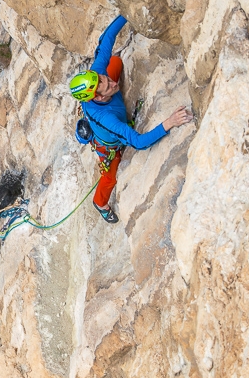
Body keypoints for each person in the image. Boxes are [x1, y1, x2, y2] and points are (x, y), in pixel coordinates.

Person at [69, 15, 193, 223]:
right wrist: (169, 122)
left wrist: (128, 12)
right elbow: (138, 142)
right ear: (97, 97)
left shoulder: (97, 76)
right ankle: (100, 203)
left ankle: (114, 66)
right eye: (105, 84)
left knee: (114, 61)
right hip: (108, 145)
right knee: (109, 179)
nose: (109, 81)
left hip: (110, 104)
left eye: (103, 77)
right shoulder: (106, 118)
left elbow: (105, 39)